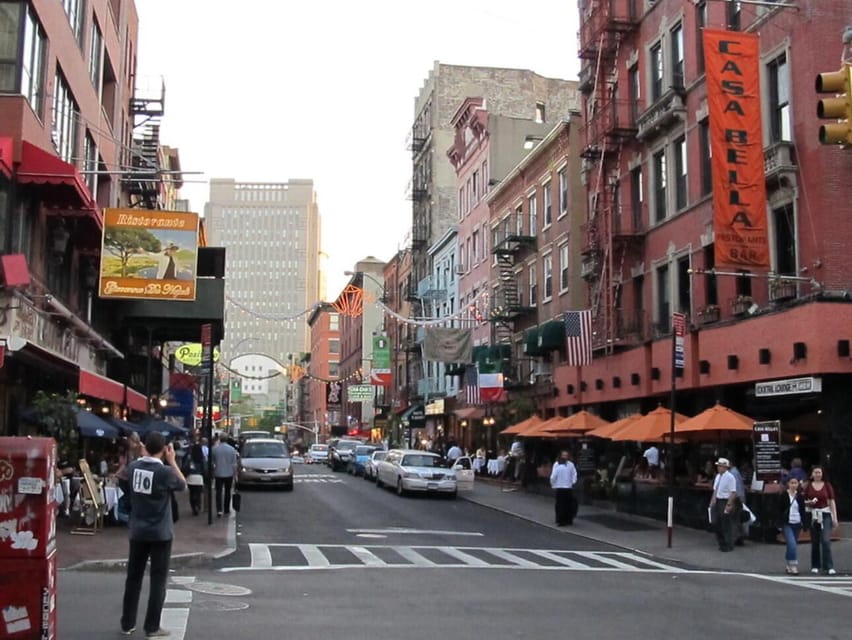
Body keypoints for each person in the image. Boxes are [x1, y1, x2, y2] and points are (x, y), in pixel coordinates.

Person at [120, 431, 186, 637]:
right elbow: (182, 484)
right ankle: (152, 626)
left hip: (138, 529)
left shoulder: (134, 467)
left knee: (133, 578)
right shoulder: (165, 472)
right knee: (158, 580)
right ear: (165, 449)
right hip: (160, 531)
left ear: (146, 447)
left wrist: (142, 453)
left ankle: (127, 623)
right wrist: (172, 461)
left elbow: (123, 477)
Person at [803, 465, 838, 575]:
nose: (818, 474)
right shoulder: (808, 486)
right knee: (815, 541)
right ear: (812, 474)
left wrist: (835, 517)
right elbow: (804, 500)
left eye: (819, 472)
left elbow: (832, 501)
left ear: (822, 474)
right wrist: (809, 503)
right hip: (814, 514)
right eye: (816, 472)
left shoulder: (827, 485)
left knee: (826, 540)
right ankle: (815, 565)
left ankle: (829, 566)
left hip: (826, 513)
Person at [709, 457, 740, 552]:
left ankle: (728, 544)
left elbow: (733, 492)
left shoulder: (730, 477)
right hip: (718, 500)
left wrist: (729, 504)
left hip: (725, 501)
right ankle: (721, 543)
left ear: (725, 467)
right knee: (717, 523)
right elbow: (716, 489)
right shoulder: (718, 476)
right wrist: (712, 500)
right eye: (718, 466)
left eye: (720, 466)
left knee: (726, 524)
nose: (718, 468)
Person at [780, 477, 807, 574]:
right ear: (788, 484)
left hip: (797, 522)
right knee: (792, 544)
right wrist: (779, 523)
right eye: (792, 483)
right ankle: (793, 565)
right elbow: (779, 510)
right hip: (787, 523)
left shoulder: (799, 496)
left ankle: (788, 564)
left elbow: (802, 510)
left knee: (792, 545)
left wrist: (805, 523)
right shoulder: (783, 495)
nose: (794, 485)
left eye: (795, 483)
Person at [212, 434, 238, 517]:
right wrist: (235, 474)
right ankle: (226, 508)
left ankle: (219, 510)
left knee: (218, 492)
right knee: (227, 491)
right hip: (229, 473)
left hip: (218, 472)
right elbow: (234, 463)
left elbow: (213, 462)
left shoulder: (215, 449)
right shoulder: (232, 449)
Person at [549, 450, 578, 526]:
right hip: (560, 487)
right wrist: (553, 484)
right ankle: (560, 520)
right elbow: (553, 476)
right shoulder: (557, 464)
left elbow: (574, 473)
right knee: (560, 505)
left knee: (568, 504)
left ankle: (568, 519)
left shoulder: (571, 465)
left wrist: (573, 482)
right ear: (561, 456)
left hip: (568, 487)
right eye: (563, 455)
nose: (565, 457)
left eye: (566, 455)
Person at [181, 440, 206, 516]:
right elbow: (204, 468)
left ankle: (193, 507)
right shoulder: (202, 458)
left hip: (190, 477)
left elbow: (185, 467)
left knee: (192, 493)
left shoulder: (189, 458)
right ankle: (198, 506)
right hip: (199, 478)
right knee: (198, 493)